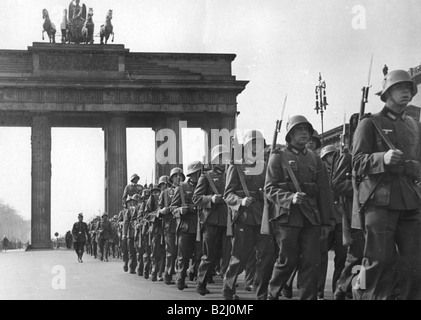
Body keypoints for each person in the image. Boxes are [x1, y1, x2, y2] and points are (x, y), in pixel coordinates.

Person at [352, 69, 421, 300]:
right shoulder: (369, 123)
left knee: (414, 261)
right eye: (400, 88)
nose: (406, 92)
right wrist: (382, 158)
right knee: (378, 260)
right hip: (379, 199)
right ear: (387, 93)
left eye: (409, 88)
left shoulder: (413, 125)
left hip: (410, 199)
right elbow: (357, 162)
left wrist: (411, 165)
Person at [264, 115, 332, 300]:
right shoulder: (278, 157)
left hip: (311, 218)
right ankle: (272, 295)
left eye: (307, 130)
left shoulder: (315, 159)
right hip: (287, 218)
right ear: (290, 134)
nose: (304, 133)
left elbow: (324, 193)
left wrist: (326, 222)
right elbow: (269, 189)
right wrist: (289, 197)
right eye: (299, 130)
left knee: (312, 262)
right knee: (287, 261)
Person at [222, 130, 275, 300]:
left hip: (263, 217)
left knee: (266, 257)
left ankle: (261, 293)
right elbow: (228, 194)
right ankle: (228, 291)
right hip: (244, 217)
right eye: (252, 143)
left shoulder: (266, 165)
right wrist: (240, 201)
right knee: (239, 257)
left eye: (258, 143)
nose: (255, 147)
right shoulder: (236, 165)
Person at [193, 144, 231, 296]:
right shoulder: (206, 176)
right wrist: (211, 198)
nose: (223, 160)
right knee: (209, 255)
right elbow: (196, 198)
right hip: (211, 220)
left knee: (228, 256)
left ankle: (228, 290)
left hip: (229, 220)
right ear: (214, 160)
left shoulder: (231, 174)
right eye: (220, 157)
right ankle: (200, 283)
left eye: (225, 157)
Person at [170, 160, 202, 291]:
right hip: (185, 226)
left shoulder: (204, 185)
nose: (200, 174)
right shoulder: (182, 188)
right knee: (183, 256)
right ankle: (180, 279)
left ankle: (195, 275)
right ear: (193, 174)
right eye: (198, 172)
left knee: (200, 255)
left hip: (200, 226)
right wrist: (179, 211)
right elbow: (172, 207)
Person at [160, 167, 185, 285]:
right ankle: (168, 274)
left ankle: (180, 277)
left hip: (183, 224)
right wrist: (162, 211)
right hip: (170, 225)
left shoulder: (185, 189)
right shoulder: (165, 193)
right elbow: (158, 210)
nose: (178, 178)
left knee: (182, 252)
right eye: (176, 176)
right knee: (171, 252)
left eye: (180, 176)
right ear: (172, 178)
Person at [119, 195, 138, 273]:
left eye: (132, 202)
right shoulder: (123, 212)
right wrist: (123, 233)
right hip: (126, 233)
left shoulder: (135, 210)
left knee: (132, 251)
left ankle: (132, 267)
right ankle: (125, 263)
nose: (131, 204)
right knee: (125, 250)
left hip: (133, 232)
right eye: (129, 202)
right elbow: (123, 222)